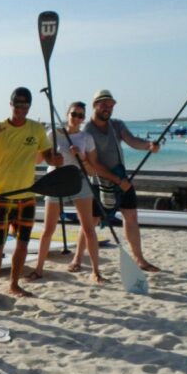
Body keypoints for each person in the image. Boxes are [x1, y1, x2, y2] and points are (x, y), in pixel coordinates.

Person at [0, 87, 63, 310]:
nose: (21, 109)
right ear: (11, 104)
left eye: (25, 105)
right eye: (17, 104)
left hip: (28, 196)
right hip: (3, 197)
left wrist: (58, 159)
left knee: (22, 244)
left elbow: (48, 156)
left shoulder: (36, 128)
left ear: (29, 107)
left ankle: (14, 284)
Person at [78, 89, 161, 272]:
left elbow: (132, 141)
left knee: (131, 216)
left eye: (111, 104)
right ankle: (77, 259)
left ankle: (139, 259)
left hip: (121, 178)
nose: (108, 108)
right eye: (104, 104)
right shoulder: (87, 130)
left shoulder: (117, 125)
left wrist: (149, 146)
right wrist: (117, 180)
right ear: (94, 105)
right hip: (98, 181)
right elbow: (94, 164)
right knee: (90, 221)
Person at [28, 101, 105, 284]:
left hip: (78, 180)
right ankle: (39, 269)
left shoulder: (86, 138)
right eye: (73, 114)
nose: (76, 118)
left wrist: (82, 157)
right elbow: (38, 160)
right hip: (55, 180)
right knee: (48, 229)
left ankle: (96, 271)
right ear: (67, 114)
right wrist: (49, 154)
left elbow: (93, 171)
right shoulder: (52, 134)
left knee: (88, 228)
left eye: (80, 115)